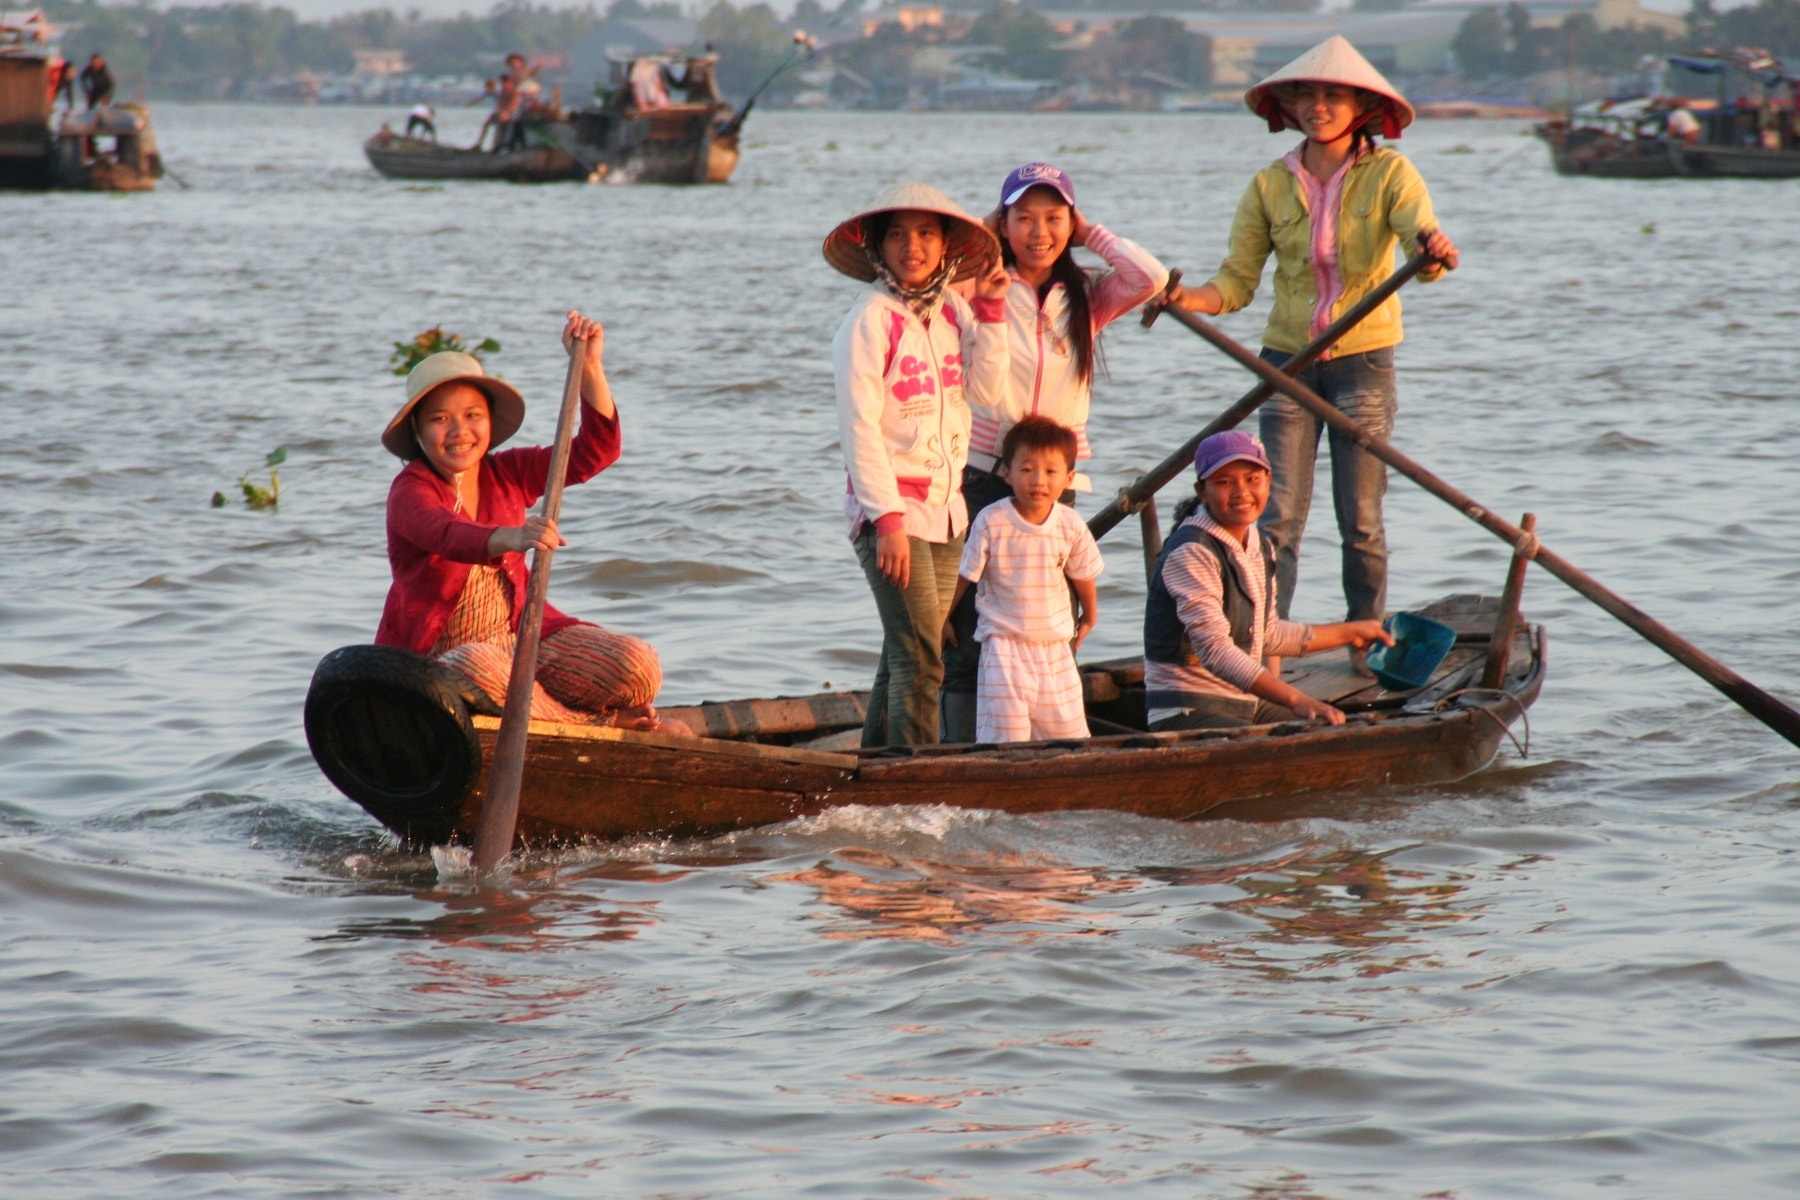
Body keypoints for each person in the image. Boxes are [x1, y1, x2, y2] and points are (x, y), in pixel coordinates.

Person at [1164, 36, 1457, 674]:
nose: (1319, 106)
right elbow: (1236, 282)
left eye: (1333, 95)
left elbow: (1419, 244)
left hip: (1363, 360)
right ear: (1290, 107)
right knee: (1274, 518)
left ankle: (1367, 641)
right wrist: (1185, 298)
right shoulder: (1271, 185)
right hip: (1287, 364)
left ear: (1360, 106)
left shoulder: (1390, 176)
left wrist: (1431, 251)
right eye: (1308, 96)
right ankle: (1262, 647)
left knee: (1360, 516)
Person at [941, 160, 1169, 739]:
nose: (1038, 232)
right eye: (1023, 218)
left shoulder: (1086, 293)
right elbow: (936, 271)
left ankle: (1042, 737)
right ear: (1005, 222)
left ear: (1070, 222)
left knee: (1047, 618)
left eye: (1053, 218)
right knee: (971, 622)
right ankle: (962, 746)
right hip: (986, 472)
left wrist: (1093, 233)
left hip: (1051, 480)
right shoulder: (981, 282)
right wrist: (985, 229)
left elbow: (1150, 277)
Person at [376, 311, 686, 735]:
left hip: (521, 641)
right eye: (439, 419)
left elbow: (593, 453)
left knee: (639, 665)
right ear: (417, 430)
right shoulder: (411, 489)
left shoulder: (508, 472)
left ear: (489, 421)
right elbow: (446, 534)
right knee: (480, 667)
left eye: (472, 416)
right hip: (444, 657)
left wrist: (591, 367)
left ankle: (556, 711)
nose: (458, 432)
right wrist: (514, 536)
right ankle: (600, 725)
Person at [825, 182, 1012, 747]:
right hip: (894, 513)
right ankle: (916, 784)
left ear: (945, 245)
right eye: (899, 234)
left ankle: (878, 764)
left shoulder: (952, 311)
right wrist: (886, 522)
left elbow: (986, 391)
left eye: (926, 233)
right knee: (922, 660)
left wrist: (994, 313)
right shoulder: (870, 320)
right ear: (877, 247)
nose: (914, 246)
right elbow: (858, 429)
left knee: (905, 649)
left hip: (946, 509)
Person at [1143, 431, 1393, 731]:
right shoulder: (1193, 551)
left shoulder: (1257, 543)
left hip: (1241, 701)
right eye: (1224, 482)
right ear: (1202, 491)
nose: (1241, 492)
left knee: (1334, 729)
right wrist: (1296, 699)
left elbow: (1268, 634)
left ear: (1268, 481)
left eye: (1252, 479)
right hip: (1187, 709)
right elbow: (1215, 650)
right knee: (1305, 733)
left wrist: (1350, 633)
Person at [942, 416, 1102, 744]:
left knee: (1069, 738)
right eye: (1027, 469)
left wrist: (1090, 614)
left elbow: (1082, 572)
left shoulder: (1069, 524)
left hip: (1055, 647)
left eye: (1050, 471)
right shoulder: (991, 520)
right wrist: (944, 616)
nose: (1038, 481)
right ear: (1006, 473)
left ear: (1069, 478)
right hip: (1004, 648)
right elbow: (966, 575)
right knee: (1005, 738)